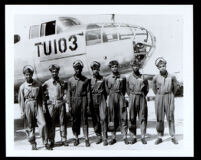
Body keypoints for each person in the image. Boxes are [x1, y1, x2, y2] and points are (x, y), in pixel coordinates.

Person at [18, 65, 50, 150]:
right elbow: (21, 100)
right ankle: (33, 143)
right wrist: (22, 111)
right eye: (26, 74)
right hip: (27, 105)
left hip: (37, 104)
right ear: (24, 75)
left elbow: (42, 97)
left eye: (29, 74)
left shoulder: (38, 84)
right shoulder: (22, 87)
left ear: (32, 74)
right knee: (29, 126)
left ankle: (46, 143)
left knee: (43, 124)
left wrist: (43, 106)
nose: (28, 76)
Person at [152, 57, 179, 145]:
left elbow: (175, 87)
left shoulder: (172, 76)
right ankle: (159, 136)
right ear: (158, 68)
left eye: (163, 66)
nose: (162, 68)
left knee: (170, 116)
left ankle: (173, 136)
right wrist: (159, 95)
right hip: (159, 97)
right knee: (159, 117)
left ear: (166, 66)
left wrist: (170, 95)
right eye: (160, 67)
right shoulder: (155, 78)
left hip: (169, 96)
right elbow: (154, 89)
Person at [42, 64, 68, 149]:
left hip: (60, 103)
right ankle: (51, 140)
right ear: (51, 72)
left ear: (58, 72)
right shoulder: (47, 83)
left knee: (62, 122)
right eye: (53, 72)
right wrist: (46, 101)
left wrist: (65, 98)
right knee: (51, 123)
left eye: (56, 72)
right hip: (52, 105)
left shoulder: (62, 82)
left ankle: (64, 139)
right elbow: (41, 92)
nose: (54, 73)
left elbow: (66, 90)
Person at [67, 60, 91, 147]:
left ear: (81, 69)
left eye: (79, 68)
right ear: (74, 69)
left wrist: (88, 104)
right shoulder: (70, 80)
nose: (78, 70)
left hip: (83, 100)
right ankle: (76, 138)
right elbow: (68, 93)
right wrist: (69, 105)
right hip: (74, 101)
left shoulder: (85, 80)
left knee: (84, 120)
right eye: (76, 69)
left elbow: (88, 92)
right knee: (75, 120)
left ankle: (86, 138)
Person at [105, 60, 129, 145]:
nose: (114, 68)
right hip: (112, 97)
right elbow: (107, 90)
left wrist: (121, 96)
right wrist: (111, 96)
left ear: (118, 67)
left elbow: (124, 88)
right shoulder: (107, 78)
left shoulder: (123, 77)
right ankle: (113, 137)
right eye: (112, 67)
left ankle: (125, 136)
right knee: (112, 117)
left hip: (120, 96)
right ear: (110, 68)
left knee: (123, 116)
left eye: (116, 66)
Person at [126, 59, 149, 144]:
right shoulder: (128, 78)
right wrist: (132, 96)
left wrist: (141, 95)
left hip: (141, 97)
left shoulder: (143, 77)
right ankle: (133, 137)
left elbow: (146, 88)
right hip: (132, 97)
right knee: (132, 118)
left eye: (137, 66)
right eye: (134, 66)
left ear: (139, 66)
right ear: (132, 67)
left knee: (142, 117)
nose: (135, 67)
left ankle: (143, 136)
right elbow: (127, 89)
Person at [89, 61, 108, 146]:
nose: (95, 71)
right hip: (93, 100)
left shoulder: (103, 79)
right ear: (92, 70)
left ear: (99, 69)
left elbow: (106, 91)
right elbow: (88, 92)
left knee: (103, 118)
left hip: (101, 99)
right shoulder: (89, 80)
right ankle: (99, 136)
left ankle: (105, 138)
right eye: (93, 69)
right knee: (95, 119)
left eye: (96, 69)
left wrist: (103, 100)